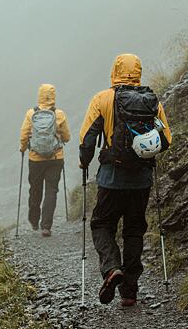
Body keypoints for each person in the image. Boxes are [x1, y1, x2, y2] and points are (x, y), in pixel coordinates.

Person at [79, 54, 172, 307]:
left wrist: (84, 162)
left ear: (115, 71)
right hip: (141, 180)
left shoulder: (103, 99)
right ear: (138, 71)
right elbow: (167, 140)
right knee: (133, 231)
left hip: (111, 179)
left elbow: (87, 138)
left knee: (101, 225)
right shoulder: (151, 100)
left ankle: (111, 268)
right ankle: (129, 293)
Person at [20, 83, 71, 237]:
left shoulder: (31, 113)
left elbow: (24, 134)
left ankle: (34, 220)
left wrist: (23, 148)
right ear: (53, 96)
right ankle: (46, 226)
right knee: (51, 191)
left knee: (35, 189)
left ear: (39, 96)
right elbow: (67, 137)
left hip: (35, 159)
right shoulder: (59, 114)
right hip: (55, 158)